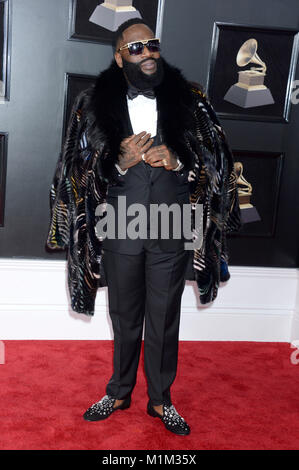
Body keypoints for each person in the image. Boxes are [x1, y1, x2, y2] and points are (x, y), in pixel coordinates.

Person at [46, 18, 242, 436]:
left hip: (173, 221)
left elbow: (219, 160)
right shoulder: (92, 102)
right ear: (119, 57)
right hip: (119, 221)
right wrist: (118, 160)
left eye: (152, 45)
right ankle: (119, 391)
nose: (146, 53)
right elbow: (72, 169)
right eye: (135, 48)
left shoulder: (191, 99)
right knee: (124, 314)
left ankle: (160, 399)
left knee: (164, 315)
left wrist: (180, 161)